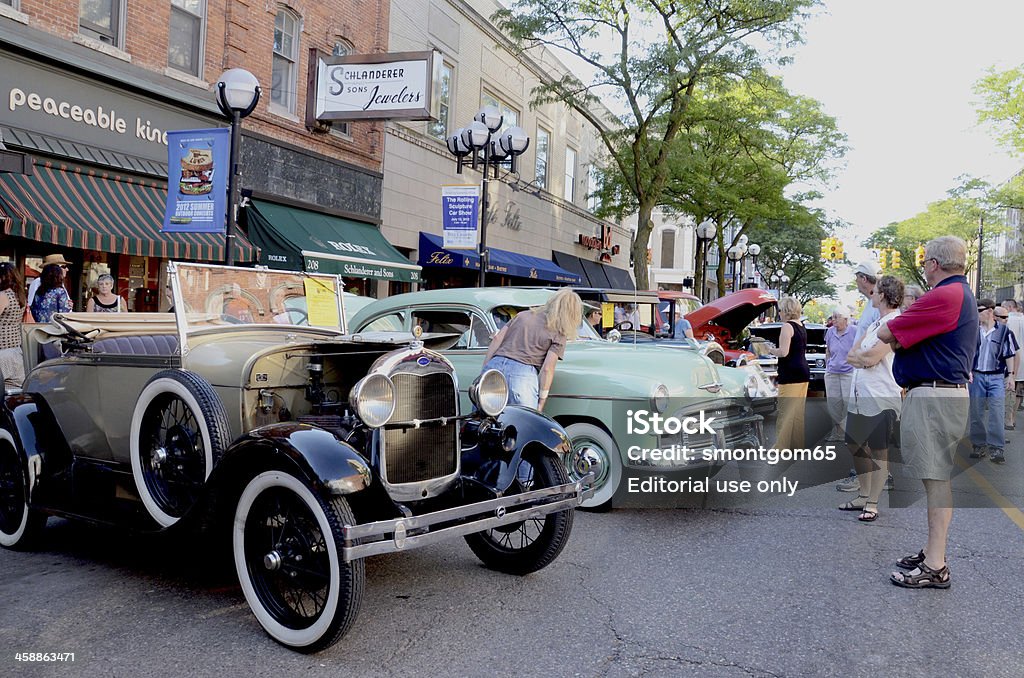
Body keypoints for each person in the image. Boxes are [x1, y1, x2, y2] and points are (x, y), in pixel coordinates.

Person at [877, 236, 977, 590]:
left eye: (924, 263)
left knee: (935, 481)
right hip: (940, 394)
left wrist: (900, 335)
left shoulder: (944, 295)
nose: (922, 268)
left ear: (934, 263)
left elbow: (887, 331)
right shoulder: (959, 294)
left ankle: (936, 565)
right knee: (936, 478)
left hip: (935, 396)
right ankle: (931, 552)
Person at [838, 276, 904, 522]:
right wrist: (862, 357)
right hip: (860, 394)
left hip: (881, 395)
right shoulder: (875, 324)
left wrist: (862, 358)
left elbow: (870, 358)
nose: (871, 294)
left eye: (875, 291)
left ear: (884, 295)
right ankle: (863, 495)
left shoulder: (896, 322)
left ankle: (873, 503)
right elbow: (852, 355)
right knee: (853, 443)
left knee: (879, 451)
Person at [482, 287, 582, 412]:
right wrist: (542, 400)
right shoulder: (559, 332)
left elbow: (497, 339)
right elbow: (547, 369)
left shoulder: (522, 315)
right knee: (523, 423)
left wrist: (486, 368)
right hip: (522, 375)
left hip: (494, 366)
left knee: (484, 418)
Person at [968, 299, 1019, 463]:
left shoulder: (1004, 332)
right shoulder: (974, 331)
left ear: (990, 312)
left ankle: (997, 448)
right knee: (976, 413)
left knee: (996, 413)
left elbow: (1010, 354)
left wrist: (1011, 375)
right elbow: (968, 353)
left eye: (980, 310)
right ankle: (979, 444)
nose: (977, 314)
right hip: (977, 376)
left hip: (996, 377)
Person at [766, 296, 809, 450]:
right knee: (797, 413)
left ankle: (781, 447)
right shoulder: (801, 325)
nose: (779, 313)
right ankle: (798, 446)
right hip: (803, 372)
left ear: (786, 311)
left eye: (780, 310)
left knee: (784, 411)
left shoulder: (787, 327)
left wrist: (769, 350)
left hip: (790, 373)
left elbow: (783, 352)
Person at [824, 306, 856, 441]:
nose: (833, 320)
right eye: (833, 317)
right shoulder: (830, 332)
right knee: (833, 404)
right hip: (832, 372)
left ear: (845, 319)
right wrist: (828, 365)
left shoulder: (854, 331)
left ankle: (845, 433)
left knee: (847, 403)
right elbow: (828, 351)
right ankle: (836, 432)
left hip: (849, 372)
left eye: (837, 317)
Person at [0, 262, 27, 389]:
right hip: (16, 349)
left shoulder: (3, 296)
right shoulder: (20, 296)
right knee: (15, 389)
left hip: (2, 350)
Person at [1002, 299, 1024, 429]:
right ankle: (1013, 418)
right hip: (1022, 365)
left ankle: (1008, 419)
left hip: (1011, 360)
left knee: (1009, 390)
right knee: (1019, 392)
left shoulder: (1007, 321)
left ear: (1010, 307)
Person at [853, 261, 883, 344]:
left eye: (857, 277)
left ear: (864, 279)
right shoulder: (871, 303)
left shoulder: (880, 306)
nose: (856, 281)